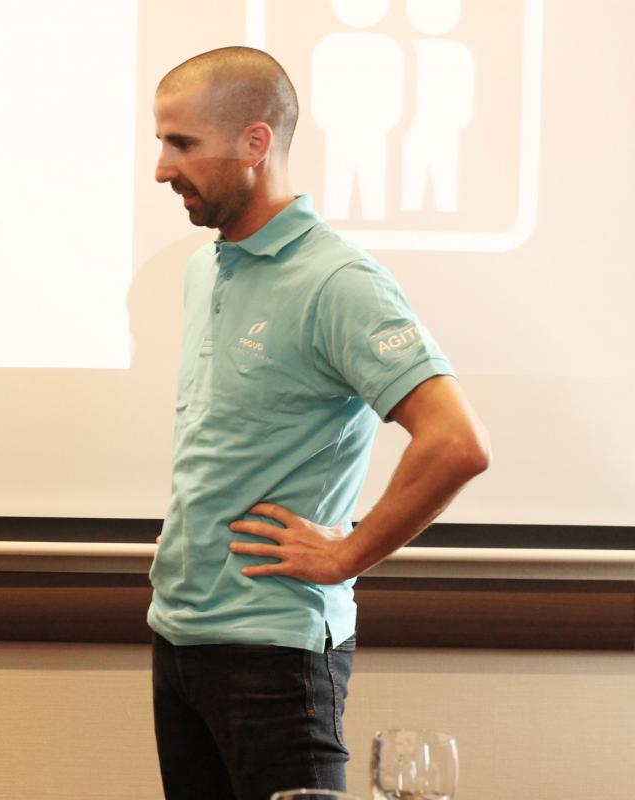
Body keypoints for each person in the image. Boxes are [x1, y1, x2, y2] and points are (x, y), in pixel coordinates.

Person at [148, 46, 490, 799]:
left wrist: (348, 555)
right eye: (161, 143)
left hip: (274, 650)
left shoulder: (337, 280)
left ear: (256, 143)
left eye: (182, 144)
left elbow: (457, 442)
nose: (162, 169)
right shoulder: (208, 264)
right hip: (179, 635)